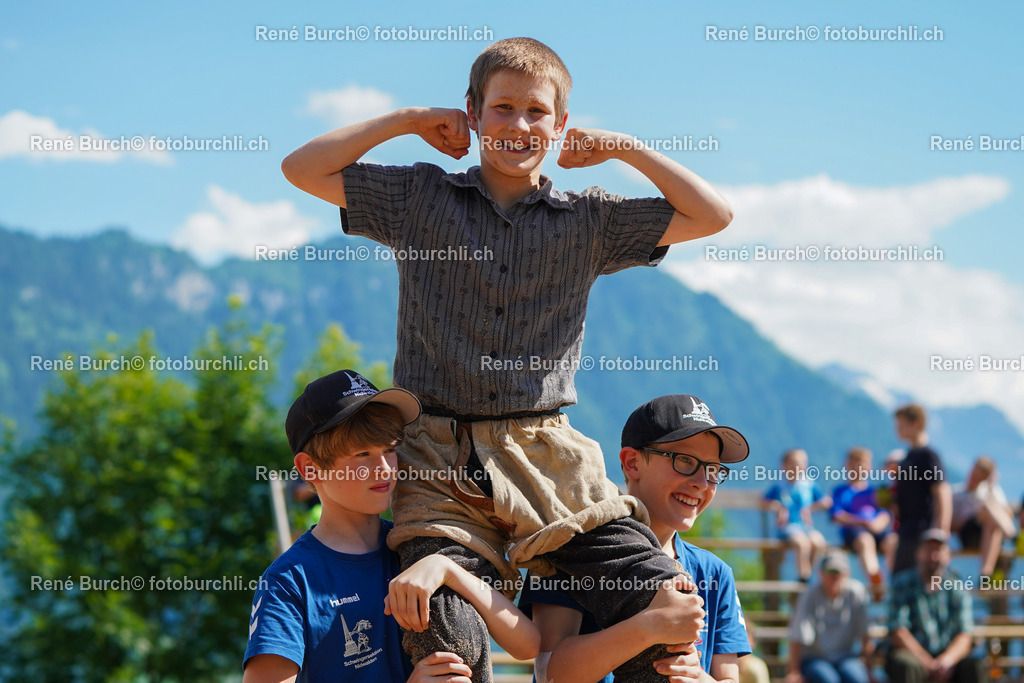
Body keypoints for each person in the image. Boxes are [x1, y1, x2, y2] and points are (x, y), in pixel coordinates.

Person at [281, 36, 733, 681]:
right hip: (438, 468)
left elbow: (713, 215)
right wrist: (409, 120)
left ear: (560, 125)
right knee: (441, 635)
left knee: (666, 610)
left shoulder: (590, 219)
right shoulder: (420, 199)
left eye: (537, 112)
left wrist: (621, 148)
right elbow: (303, 169)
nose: (519, 125)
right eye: (502, 109)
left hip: (551, 465)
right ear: (473, 113)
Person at [242, 369, 539, 682]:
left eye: (390, 449)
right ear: (309, 468)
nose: (384, 468)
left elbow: (528, 644)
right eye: (363, 454)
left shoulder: (418, 542)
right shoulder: (288, 582)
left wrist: (447, 570)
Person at [518, 394, 752, 682]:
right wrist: (651, 625)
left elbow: (728, 677)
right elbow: (549, 673)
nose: (701, 482)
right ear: (632, 463)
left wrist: (699, 678)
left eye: (713, 470)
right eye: (685, 461)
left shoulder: (715, 573)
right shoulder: (570, 547)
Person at [886, 529, 987, 683]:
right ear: (918, 553)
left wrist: (947, 660)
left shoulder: (957, 586)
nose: (933, 556)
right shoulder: (903, 583)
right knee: (905, 663)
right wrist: (927, 663)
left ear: (948, 556)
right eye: (928, 550)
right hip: (915, 657)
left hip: (948, 659)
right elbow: (898, 631)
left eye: (938, 550)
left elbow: (965, 633)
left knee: (975, 665)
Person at [786, 550, 871, 683]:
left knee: (857, 678)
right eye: (830, 572)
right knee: (828, 680)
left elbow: (865, 635)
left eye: (837, 573)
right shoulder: (809, 595)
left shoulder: (856, 594)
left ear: (846, 574)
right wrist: (793, 672)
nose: (834, 577)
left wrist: (869, 671)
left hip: (845, 657)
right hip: (815, 657)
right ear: (821, 574)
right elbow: (797, 637)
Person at [892, 405, 951, 575]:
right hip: (906, 530)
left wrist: (941, 532)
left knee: (917, 581)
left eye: (901, 424)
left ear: (916, 423)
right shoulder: (908, 456)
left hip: (922, 532)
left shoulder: (928, 456)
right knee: (901, 581)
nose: (898, 429)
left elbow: (942, 492)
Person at [829, 447, 894, 592]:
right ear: (847, 466)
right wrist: (862, 522)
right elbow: (837, 516)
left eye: (863, 463)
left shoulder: (876, 491)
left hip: (876, 529)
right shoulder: (840, 491)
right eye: (855, 463)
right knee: (865, 541)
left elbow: (885, 513)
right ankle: (874, 576)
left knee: (892, 541)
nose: (859, 468)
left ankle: (895, 575)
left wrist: (878, 523)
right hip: (853, 531)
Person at [763, 449, 831, 582]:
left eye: (802, 463)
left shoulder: (809, 485)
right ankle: (803, 578)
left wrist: (810, 508)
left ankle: (808, 576)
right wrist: (777, 506)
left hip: (805, 526)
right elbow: (764, 501)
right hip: (787, 528)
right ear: (784, 466)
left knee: (818, 542)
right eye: (794, 463)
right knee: (801, 543)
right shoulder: (779, 486)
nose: (798, 466)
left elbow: (826, 502)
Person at [951, 455, 1016, 578]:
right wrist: (976, 514)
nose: (973, 478)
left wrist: (991, 489)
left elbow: (1008, 515)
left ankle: (985, 573)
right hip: (969, 532)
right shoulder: (956, 493)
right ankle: (1014, 537)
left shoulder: (991, 490)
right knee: (985, 510)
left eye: (978, 476)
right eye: (974, 474)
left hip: (990, 532)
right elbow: (951, 524)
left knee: (990, 519)